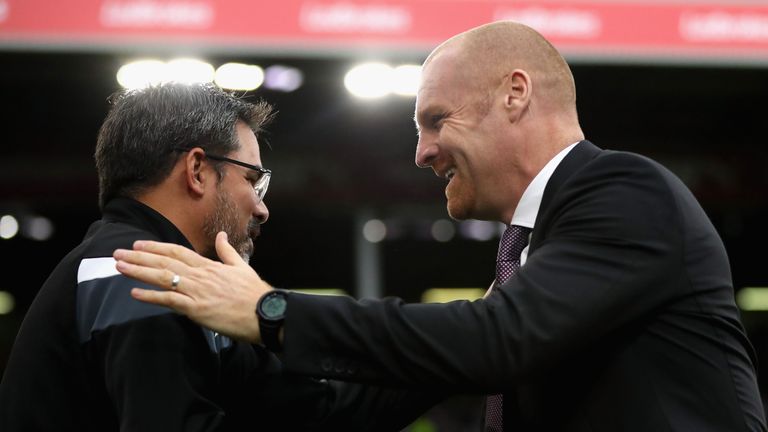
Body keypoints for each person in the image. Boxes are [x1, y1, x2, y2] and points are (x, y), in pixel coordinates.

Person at [113, 22, 767, 431]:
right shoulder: (543, 247)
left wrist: (272, 311)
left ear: (515, 93)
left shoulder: (627, 191)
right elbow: (447, 360)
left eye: (435, 120)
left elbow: (494, 342)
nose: (422, 153)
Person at [0, 82, 435, 431]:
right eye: (253, 180)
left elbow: (318, 414)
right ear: (197, 171)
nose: (262, 207)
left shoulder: (184, 282)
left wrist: (464, 352)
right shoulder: (133, 270)